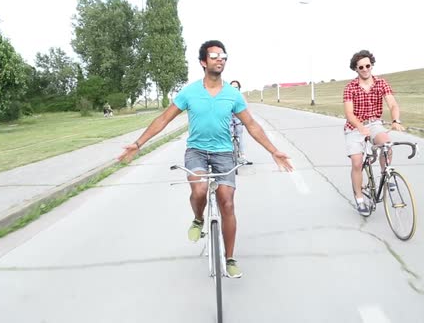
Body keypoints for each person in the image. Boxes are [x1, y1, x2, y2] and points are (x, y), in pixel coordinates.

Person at [118, 40, 293, 278]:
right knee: (199, 190)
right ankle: (199, 219)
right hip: (196, 151)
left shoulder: (232, 95)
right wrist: (138, 144)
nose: (220, 59)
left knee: (227, 202)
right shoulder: (189, 92)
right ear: (203, 62)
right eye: (214, 55)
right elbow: (164, 119)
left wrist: (274, 150)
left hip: (223, 153)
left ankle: (230, 258)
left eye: (223, 56)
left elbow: (251, 124)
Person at [343, 50, 405, 216]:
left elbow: (393, 104)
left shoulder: (381, 83)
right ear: (356, 69)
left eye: (367, 65)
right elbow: (349, 113)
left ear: (372, 65)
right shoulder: (350, 87)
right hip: (354, 126)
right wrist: (360, 127)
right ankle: (359, 199)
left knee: (386, 145)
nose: (365, 69)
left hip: (374, 123)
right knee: (357, 162)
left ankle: (386, 176)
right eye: (361, 67)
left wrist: (395, 120)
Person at [229, 80, 247, 163]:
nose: (234, 89)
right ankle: (228, 154)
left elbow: (246, 109)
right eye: (233, 87)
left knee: (240, 135)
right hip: (229, 118)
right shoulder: (227, 97)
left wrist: (245, 120)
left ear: (239, 88)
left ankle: (242, 155)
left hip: (238, 118)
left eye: (236, 87)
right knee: (228, 134)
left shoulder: (241, 97)